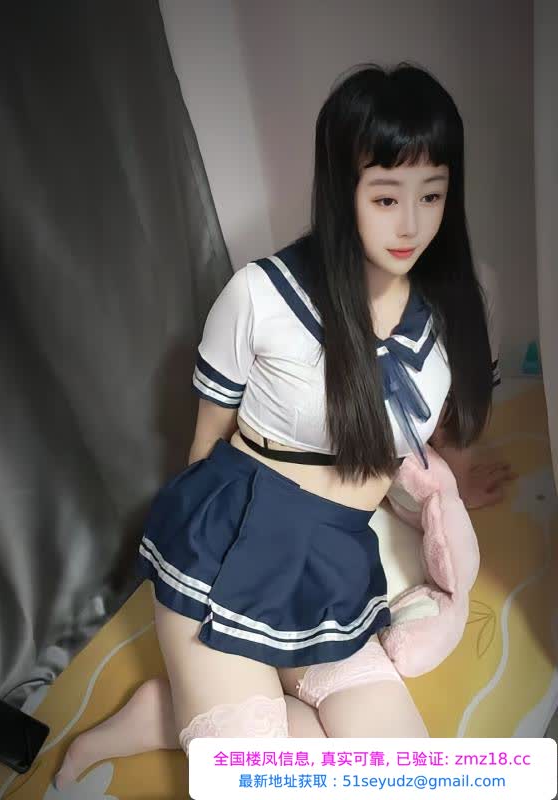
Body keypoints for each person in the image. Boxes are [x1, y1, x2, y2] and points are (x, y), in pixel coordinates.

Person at [54, 61, 513, 789]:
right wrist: (191, 577)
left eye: (431, 194)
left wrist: (449, 481)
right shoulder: (260, 296)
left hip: (334, 564)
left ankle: (173, 715)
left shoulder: (459, 298)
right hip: (229, 545)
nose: (410, 224)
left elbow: (416, 420)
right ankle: (193, 711)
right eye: (385, 196)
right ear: (339, 189)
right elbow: (205, 443)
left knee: (402, 776)